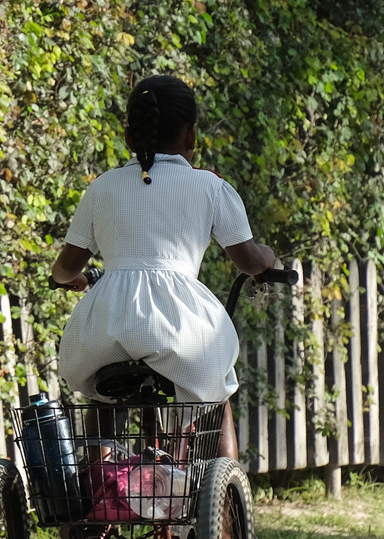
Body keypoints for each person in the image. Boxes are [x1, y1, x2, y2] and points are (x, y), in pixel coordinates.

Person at [48, 74, 281, 450]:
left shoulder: (102, 187)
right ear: (190, 136)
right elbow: (250, 262)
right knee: (215, 399)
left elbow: (65, 268)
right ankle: (227, 496)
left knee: (104, 400)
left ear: (129, 136)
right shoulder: (210, 187)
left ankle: (92, 491)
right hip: (184, 328)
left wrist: (64, 280)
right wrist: (267, 258)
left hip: (107, 331)